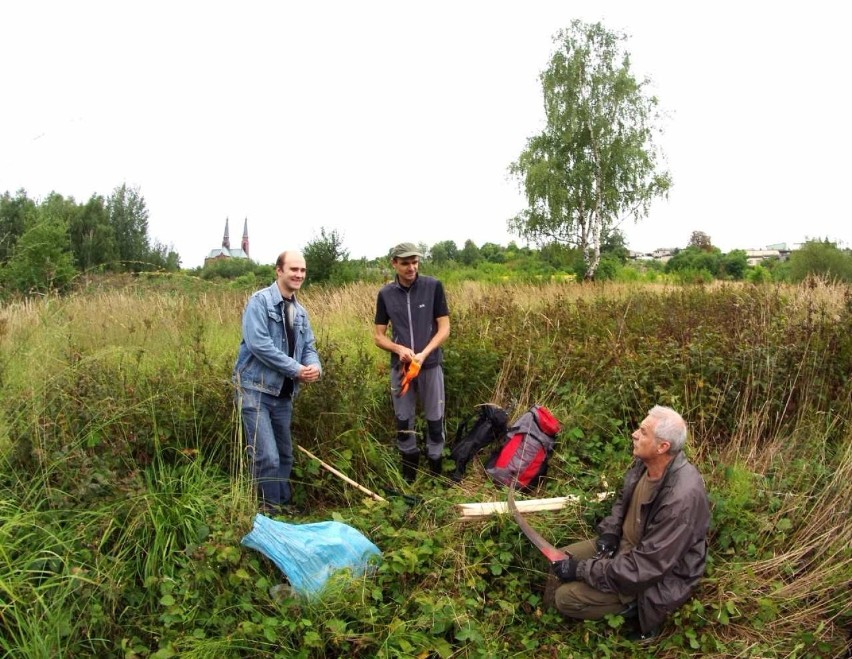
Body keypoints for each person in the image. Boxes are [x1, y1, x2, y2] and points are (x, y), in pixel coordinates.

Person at [546, 405, 710, 641]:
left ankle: (635, 611)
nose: (634, 434)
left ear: (662, 446)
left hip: (652, 579)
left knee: (566, 597)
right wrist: (610, 533)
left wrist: (581, 570)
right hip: (625, 547)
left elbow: (645, 567)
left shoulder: (680, 500)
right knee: (558, 559)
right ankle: (549, 618)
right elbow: (623, 501)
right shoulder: (646, 463)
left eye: (643, 432)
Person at [233, 251, 321, 513]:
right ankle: (267, 512)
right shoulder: (259, 302)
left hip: (283, 394)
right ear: (279, 271)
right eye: (293, 269)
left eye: (303, 271)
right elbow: (260, 345)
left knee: (285, 456)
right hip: (254, 390)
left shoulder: (300, 312)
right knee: (266, 457)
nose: (299, 275)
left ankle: (282, 508)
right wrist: (296, 369)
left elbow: (309, 348)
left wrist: (314, 366)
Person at [373, 242, 450, 482]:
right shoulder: (386, 294)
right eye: (405, 263)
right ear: (394, 263)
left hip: (430, 364)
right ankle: (409, 474)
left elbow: (444, 328)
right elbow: (378, 336)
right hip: (401, 368)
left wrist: (424, 353)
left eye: (414, 262)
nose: (411, 267)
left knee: (435, 417)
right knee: (403, 419)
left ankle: (436, 472)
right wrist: (399, 349)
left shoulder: (433, 286)